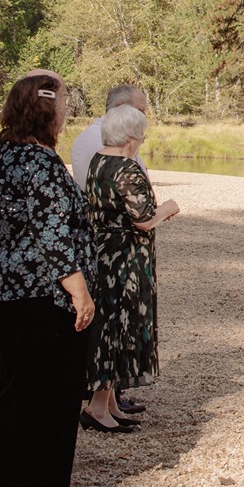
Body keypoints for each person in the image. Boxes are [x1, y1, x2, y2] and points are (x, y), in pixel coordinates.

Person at [0, 73, 97, 487]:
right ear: (48, 111)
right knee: (52, 390)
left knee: (15, 386)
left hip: (5, 288)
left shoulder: (0, 153)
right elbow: (51, 235)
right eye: (64, 103)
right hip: (44, 294)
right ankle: (39, 486)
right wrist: (79, 292)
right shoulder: (40, 163)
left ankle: (5, 478)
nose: (67, 112)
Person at [82, 103, 179, 432]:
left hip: (102, 250)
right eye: (142, 135)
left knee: (108, 323)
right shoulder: (127, 168)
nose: (142, 140)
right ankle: (98, 407)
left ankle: (108, 403)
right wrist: (167, 209)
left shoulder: (98, 160)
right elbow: (143, 220)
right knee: (120, 325)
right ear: (131, 137)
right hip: (125, 257)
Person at [71, 84, 147, 189]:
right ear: (121, 107)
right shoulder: (109, 140)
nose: (144, 116)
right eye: (140, 110)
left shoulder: (89, 136)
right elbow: (128, 188)